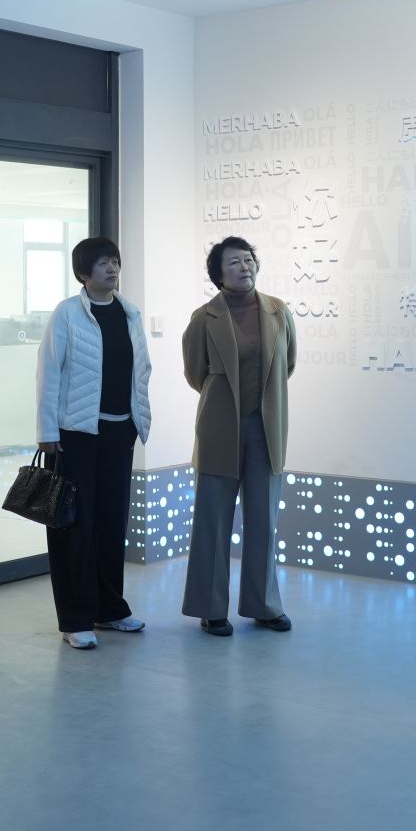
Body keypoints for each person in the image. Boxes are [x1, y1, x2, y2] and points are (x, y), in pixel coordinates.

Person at [35, 237, 152, 649]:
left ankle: (110, 609)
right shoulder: (68, 313)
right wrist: (47, 431)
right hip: (76, 434)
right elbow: (49, 371)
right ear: (83, 272)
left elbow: (141, 371)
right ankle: (75, 618)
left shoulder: (129, 313)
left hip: (120, 432)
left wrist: (139, 420)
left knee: (111, 522)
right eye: (103, 263)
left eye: (115, 262)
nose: (112, 269)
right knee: (75, 526)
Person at [181, 236, 296, 637]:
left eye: (248, 259)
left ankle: (264, 605)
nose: (244, 266)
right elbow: (195, 372)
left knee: (264, 519)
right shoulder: (203, 318)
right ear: (218, 274)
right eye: (234, 262)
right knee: (212, 520)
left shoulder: (278, 311)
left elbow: (288, 364)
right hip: (219, 427)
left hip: (266, 429)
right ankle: (210, 608)